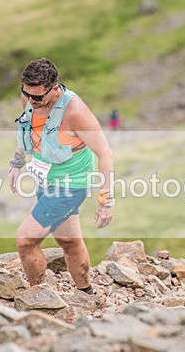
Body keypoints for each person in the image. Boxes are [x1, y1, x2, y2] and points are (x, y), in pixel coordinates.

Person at [8, 58, 114, 294]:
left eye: (37, 97)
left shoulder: (74, 112)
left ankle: (39, 299)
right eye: (27, 94)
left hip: (71, 185)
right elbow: (27, 129)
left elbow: (105, 154)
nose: (31, 101)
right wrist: (16, 163)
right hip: (45, 179)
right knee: (69, 241)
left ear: (54, 89)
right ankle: (86, 293)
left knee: (25, 241)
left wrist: (106, 201)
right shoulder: (29, 97)